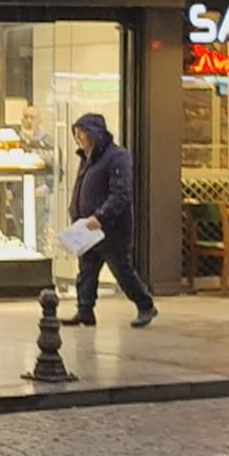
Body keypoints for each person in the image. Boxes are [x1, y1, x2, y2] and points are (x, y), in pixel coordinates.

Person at [63, 113, 157, 328]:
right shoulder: (86, 158)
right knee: (86, 271)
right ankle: (84, 309)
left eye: (81, 134)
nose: (78, 139)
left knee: (121, 269)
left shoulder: (117, 157)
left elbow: (121, 193)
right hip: (87, 227)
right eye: (75, 134)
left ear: (94, 134)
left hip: (111, 229)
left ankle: (145, 305)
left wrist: (102, 216)